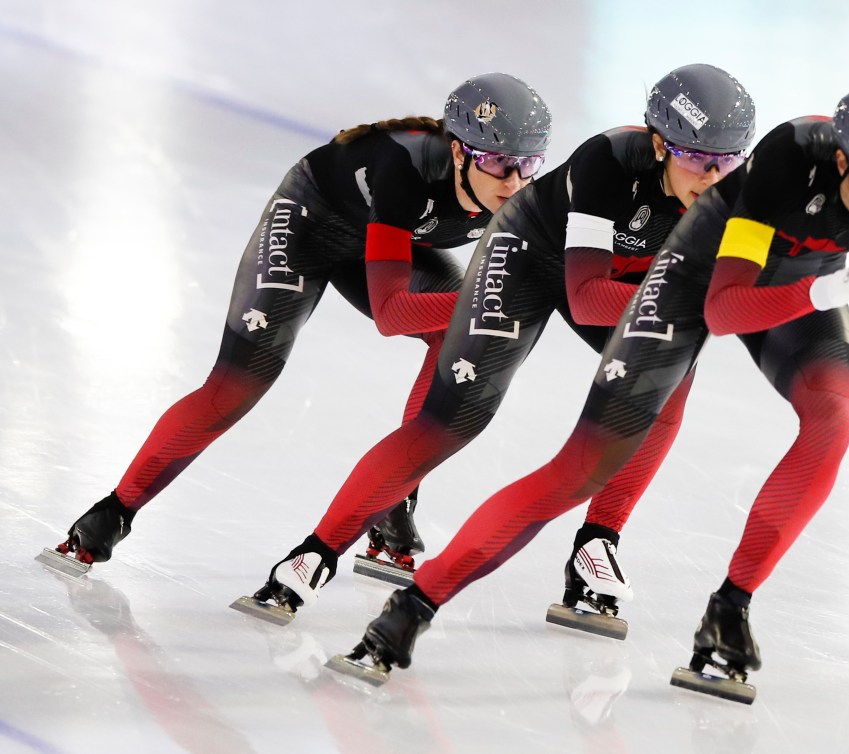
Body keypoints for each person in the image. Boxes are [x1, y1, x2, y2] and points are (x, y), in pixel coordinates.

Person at [329, 79, 849, 703]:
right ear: (843, 160)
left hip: (802, 280)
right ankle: (414, 604)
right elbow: (726, 308)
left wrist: (822, 284)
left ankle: (728, 610)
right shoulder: (782, 169)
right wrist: (827, 291)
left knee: (834, 418)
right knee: (580, 469)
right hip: (706, 278)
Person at [237, 63, 758, 621]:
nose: (713, 175)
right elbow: (585, 296)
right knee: (456, 419)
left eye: (728, 160)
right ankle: (315, 553)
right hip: (532, 259)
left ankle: (597, 545)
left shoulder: (744, 192)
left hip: (617, 279)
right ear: (659, 145)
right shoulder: (605, 161)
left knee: (672, 375)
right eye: (697, 158)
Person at [37, 73, 552, 578]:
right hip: (312, 225)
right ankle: (112, 512)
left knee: (457, 337)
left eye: (529, 164)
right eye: (500, 163)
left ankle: (395, 495)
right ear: (460, 151)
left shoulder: (527, 195)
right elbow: (392, 313)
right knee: (237, 384)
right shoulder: (405, 165)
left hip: (387, 241)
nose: (515, 182)